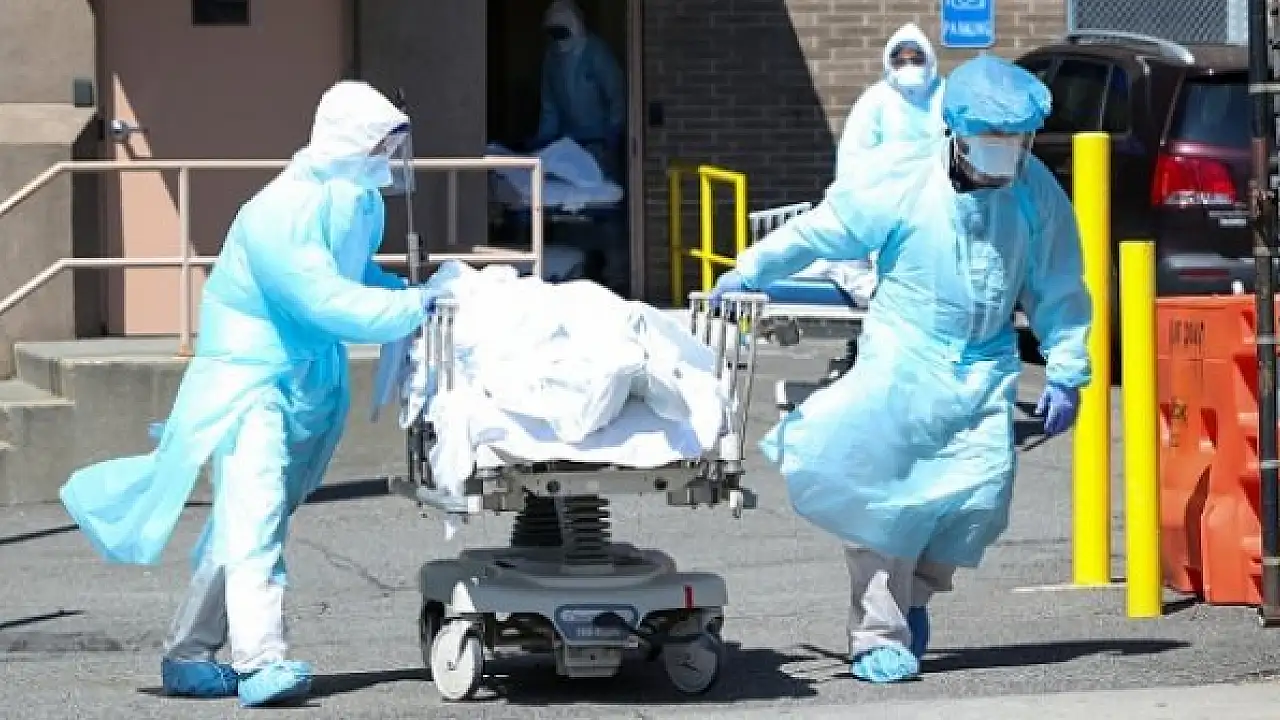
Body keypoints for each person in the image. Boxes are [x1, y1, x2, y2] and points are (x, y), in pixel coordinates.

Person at [709, 54, 1091, 684]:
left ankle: (912, 596)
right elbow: (822, 231)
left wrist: (1067, 367)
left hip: (985, 367)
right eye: (992, 138)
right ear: (958, 132)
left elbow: (1058, 283)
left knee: (976, 503)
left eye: (1016, 140)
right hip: (904, 358)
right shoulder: (905, 180)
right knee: (886, 505)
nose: (1005, 152)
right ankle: (877, 634)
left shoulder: (1034, 189)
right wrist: (752, 271)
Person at [58, 81, 437, 707]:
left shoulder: (359, 201)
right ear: (348, 139)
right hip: (249, 381)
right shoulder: (278, 211)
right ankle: (261, 660)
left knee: (246, 522)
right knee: (255, 516)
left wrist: (408, 289)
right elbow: (323, 299)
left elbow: (354, 275)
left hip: (305, 379)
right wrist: (413, 307)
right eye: (380, 144)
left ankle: (188, 651)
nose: (388, 158)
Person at [835, 22, 946, 180]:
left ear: (929, 59)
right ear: (889, 63)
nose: (909, 66)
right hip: (888, 187)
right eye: (900, 62)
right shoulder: (876, 98)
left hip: (938, 187)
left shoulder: (945, 94)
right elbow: (854, 150)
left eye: (916, 60)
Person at [530, 0, 626, 182]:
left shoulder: (596, 53)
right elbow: (550, 107)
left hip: (600, 142)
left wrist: (612, 135)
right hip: (570, 144)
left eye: (561, 32)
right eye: (553, 33)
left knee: (602, 185)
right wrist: (544, 141)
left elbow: (616, 96)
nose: (558, 39)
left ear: (575, 26)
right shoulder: (552, 58)